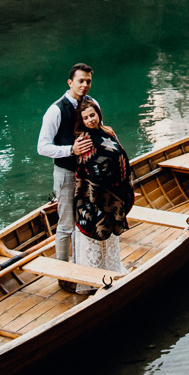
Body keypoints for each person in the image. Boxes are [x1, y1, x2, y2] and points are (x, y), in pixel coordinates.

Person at [70, 99, 133, 294]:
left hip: (114, 192)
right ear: (81, 121)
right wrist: (95, 195)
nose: (90, 120)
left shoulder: (108, 131)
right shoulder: (84, 140)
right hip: (94, 197)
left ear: (98, 113)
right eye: (86, 117)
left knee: (109, 235)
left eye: (92, 115)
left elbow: (119, 155)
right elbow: (87, 169)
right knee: (95, 235)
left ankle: (112, 270)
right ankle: (93, 281)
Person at [37, 63, 96, 266]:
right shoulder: (55, 110)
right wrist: (71, 150)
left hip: (89, 173)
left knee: (87, 220)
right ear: (70, 82)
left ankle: (83, 264)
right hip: (66, 173)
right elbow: (42, 147)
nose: (85, 85)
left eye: (88, 81)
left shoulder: (92, 103)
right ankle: (63, 269)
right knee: (66, 224)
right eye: (80, 81)